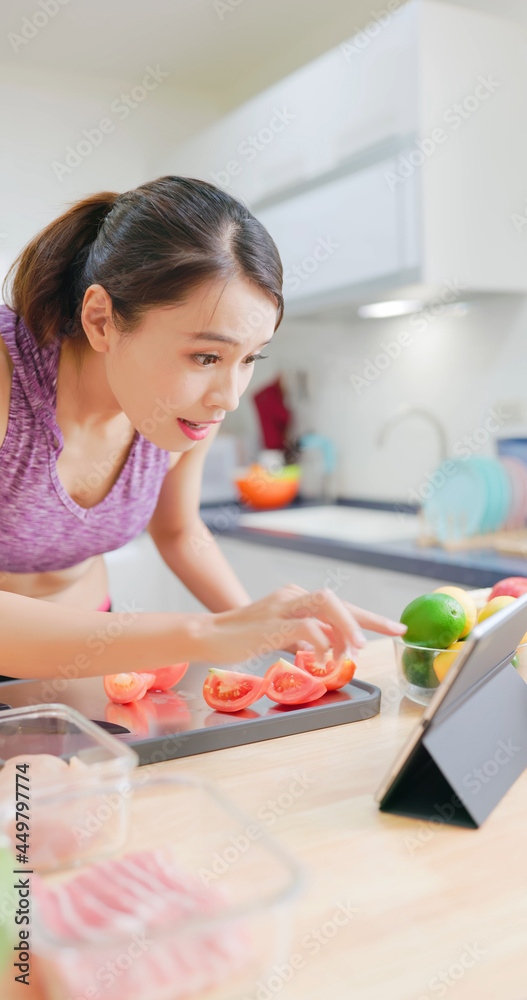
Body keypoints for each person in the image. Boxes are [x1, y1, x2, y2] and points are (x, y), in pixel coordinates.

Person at [0, 176, 405, 681]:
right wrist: (206, 633)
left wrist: (271, 633)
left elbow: (177, 529)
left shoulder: (186, 408)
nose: (229, 397)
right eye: (206, 356)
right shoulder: (9, 379)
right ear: (101, 319)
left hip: (85, 661)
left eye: (249, 359)